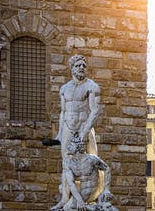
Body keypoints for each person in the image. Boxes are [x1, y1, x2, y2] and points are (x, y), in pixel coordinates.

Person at [53, 54, 102, 209]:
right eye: (78, 65)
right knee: (66, 163)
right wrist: (60, 133)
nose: (81, 68)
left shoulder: (92, 86)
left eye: (83, 65)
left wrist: (84, 132)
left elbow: (95, 111)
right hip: (68, 127)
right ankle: (64, 198)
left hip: (84, 128)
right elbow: (63, 111)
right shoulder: (64, 89)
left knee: (94, 161)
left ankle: (98, 196)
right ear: (72, 68)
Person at [51, 135, 115, 211]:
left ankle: (94, 207)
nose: (68, 147)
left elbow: (106, 169)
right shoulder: (69, 163)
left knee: (70, 208)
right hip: (81, 190)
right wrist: (80, 201)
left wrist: (106, 189)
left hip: (91, 188)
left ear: (77, 147)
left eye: (71, 145)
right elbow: (71, 184)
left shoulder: (91, 159)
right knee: (67, 207)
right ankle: (93, 208)